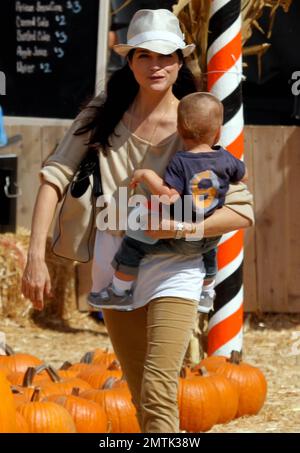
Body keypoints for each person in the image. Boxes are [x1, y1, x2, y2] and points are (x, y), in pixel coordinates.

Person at [22, 9, 254, 433]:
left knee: (160, 386)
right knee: (138, 391)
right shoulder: (104, 111)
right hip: (115, 265)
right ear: (129, 61)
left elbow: (241, 210)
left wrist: (182, 226)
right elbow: (54, 176)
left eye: (165, 55)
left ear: (180, 61)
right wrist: (35, 256)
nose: (156, 65)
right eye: (144, 55)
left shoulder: (195, 118)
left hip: (175, 265)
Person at [87, 92, 248, 313]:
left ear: (179, 131)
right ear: (218, 133)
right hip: (209, 233)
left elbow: (169, 196)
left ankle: (119, 291)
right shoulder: (226, 158)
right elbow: (243, 176)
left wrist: (146, 175)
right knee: (210, 252)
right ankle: (206, 292)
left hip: (179, 235)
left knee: (134, 244)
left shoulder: (181, 161)